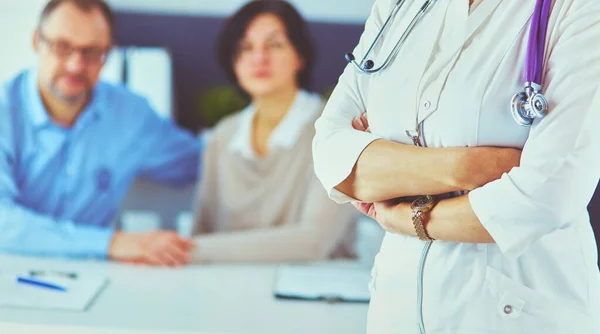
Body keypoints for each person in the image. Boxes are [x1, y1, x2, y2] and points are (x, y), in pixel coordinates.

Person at [312, 0, 600, 332]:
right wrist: (468, 166)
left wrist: (403, 216)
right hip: (396, 309)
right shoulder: (398, 5)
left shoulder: (579, 8)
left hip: (514, 313)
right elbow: (331, 155)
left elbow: (548, 195)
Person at [0, 0, 200, 267]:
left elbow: (200, 161)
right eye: (62, 47)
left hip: (92, 281)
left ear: (109, 52)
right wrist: (113, 243)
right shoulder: (5, 111)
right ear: (37, 41)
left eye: (92, 52)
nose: (75, 65)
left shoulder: (131, 115)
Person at [191, 0, 358, 263]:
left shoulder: (334, 129)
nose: (259, 58)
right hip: (230, 288)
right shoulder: (223, 135)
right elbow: (203, 231)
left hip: (317, 291)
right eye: (245, 48)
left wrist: (190, 249)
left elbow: (314, 243)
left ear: (300, 55)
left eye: (275, 45)